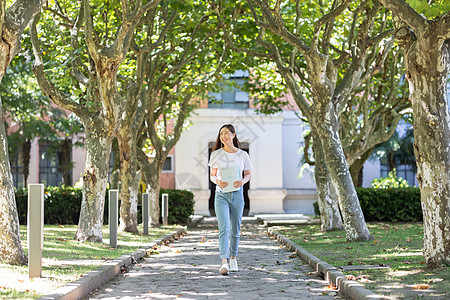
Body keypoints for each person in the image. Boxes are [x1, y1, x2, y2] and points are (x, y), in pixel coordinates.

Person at [208, 124, 252, 275]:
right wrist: (218, 182)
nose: (223, 136)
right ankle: (224, 262)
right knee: (224, 228)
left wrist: (243, 181)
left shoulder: (243, 155)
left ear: (234, 135)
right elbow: (212, 176)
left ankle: (233, 258)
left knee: (235, 228)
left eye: (226, 133)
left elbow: (248, 174)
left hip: (237, 194)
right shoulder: (216, 155)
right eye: (221, 134)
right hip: (221, 194)